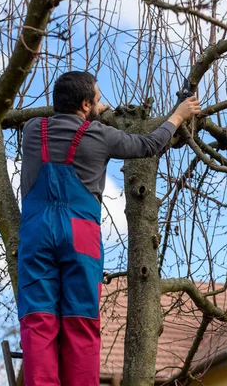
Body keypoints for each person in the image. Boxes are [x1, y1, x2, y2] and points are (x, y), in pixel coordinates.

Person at [17, 71, 201, 386]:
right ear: (86, 103)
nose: (102, 105)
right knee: (81, 322)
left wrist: (91, 113)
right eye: (98, 100)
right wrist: (178, 115)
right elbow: (149, 144)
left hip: (36, 233)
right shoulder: (100, 137)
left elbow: (67, 123)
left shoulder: (33, 130)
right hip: (80, 235)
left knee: (38, 322)